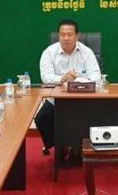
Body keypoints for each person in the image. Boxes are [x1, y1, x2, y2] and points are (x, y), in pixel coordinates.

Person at [35, 19, 101, 155]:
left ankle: (79, 146)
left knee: (88, 116)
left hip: (82, 100)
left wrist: (77, 80)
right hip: (56, 100)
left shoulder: (87, 52)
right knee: (41, 119)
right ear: (58, 35)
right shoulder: (49, 52)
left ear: (77, 36)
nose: (66, 38)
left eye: (69, 34)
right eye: (62, 34)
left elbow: (96, 76)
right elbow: (45, 77)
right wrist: (62, 78)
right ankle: (59, 145)